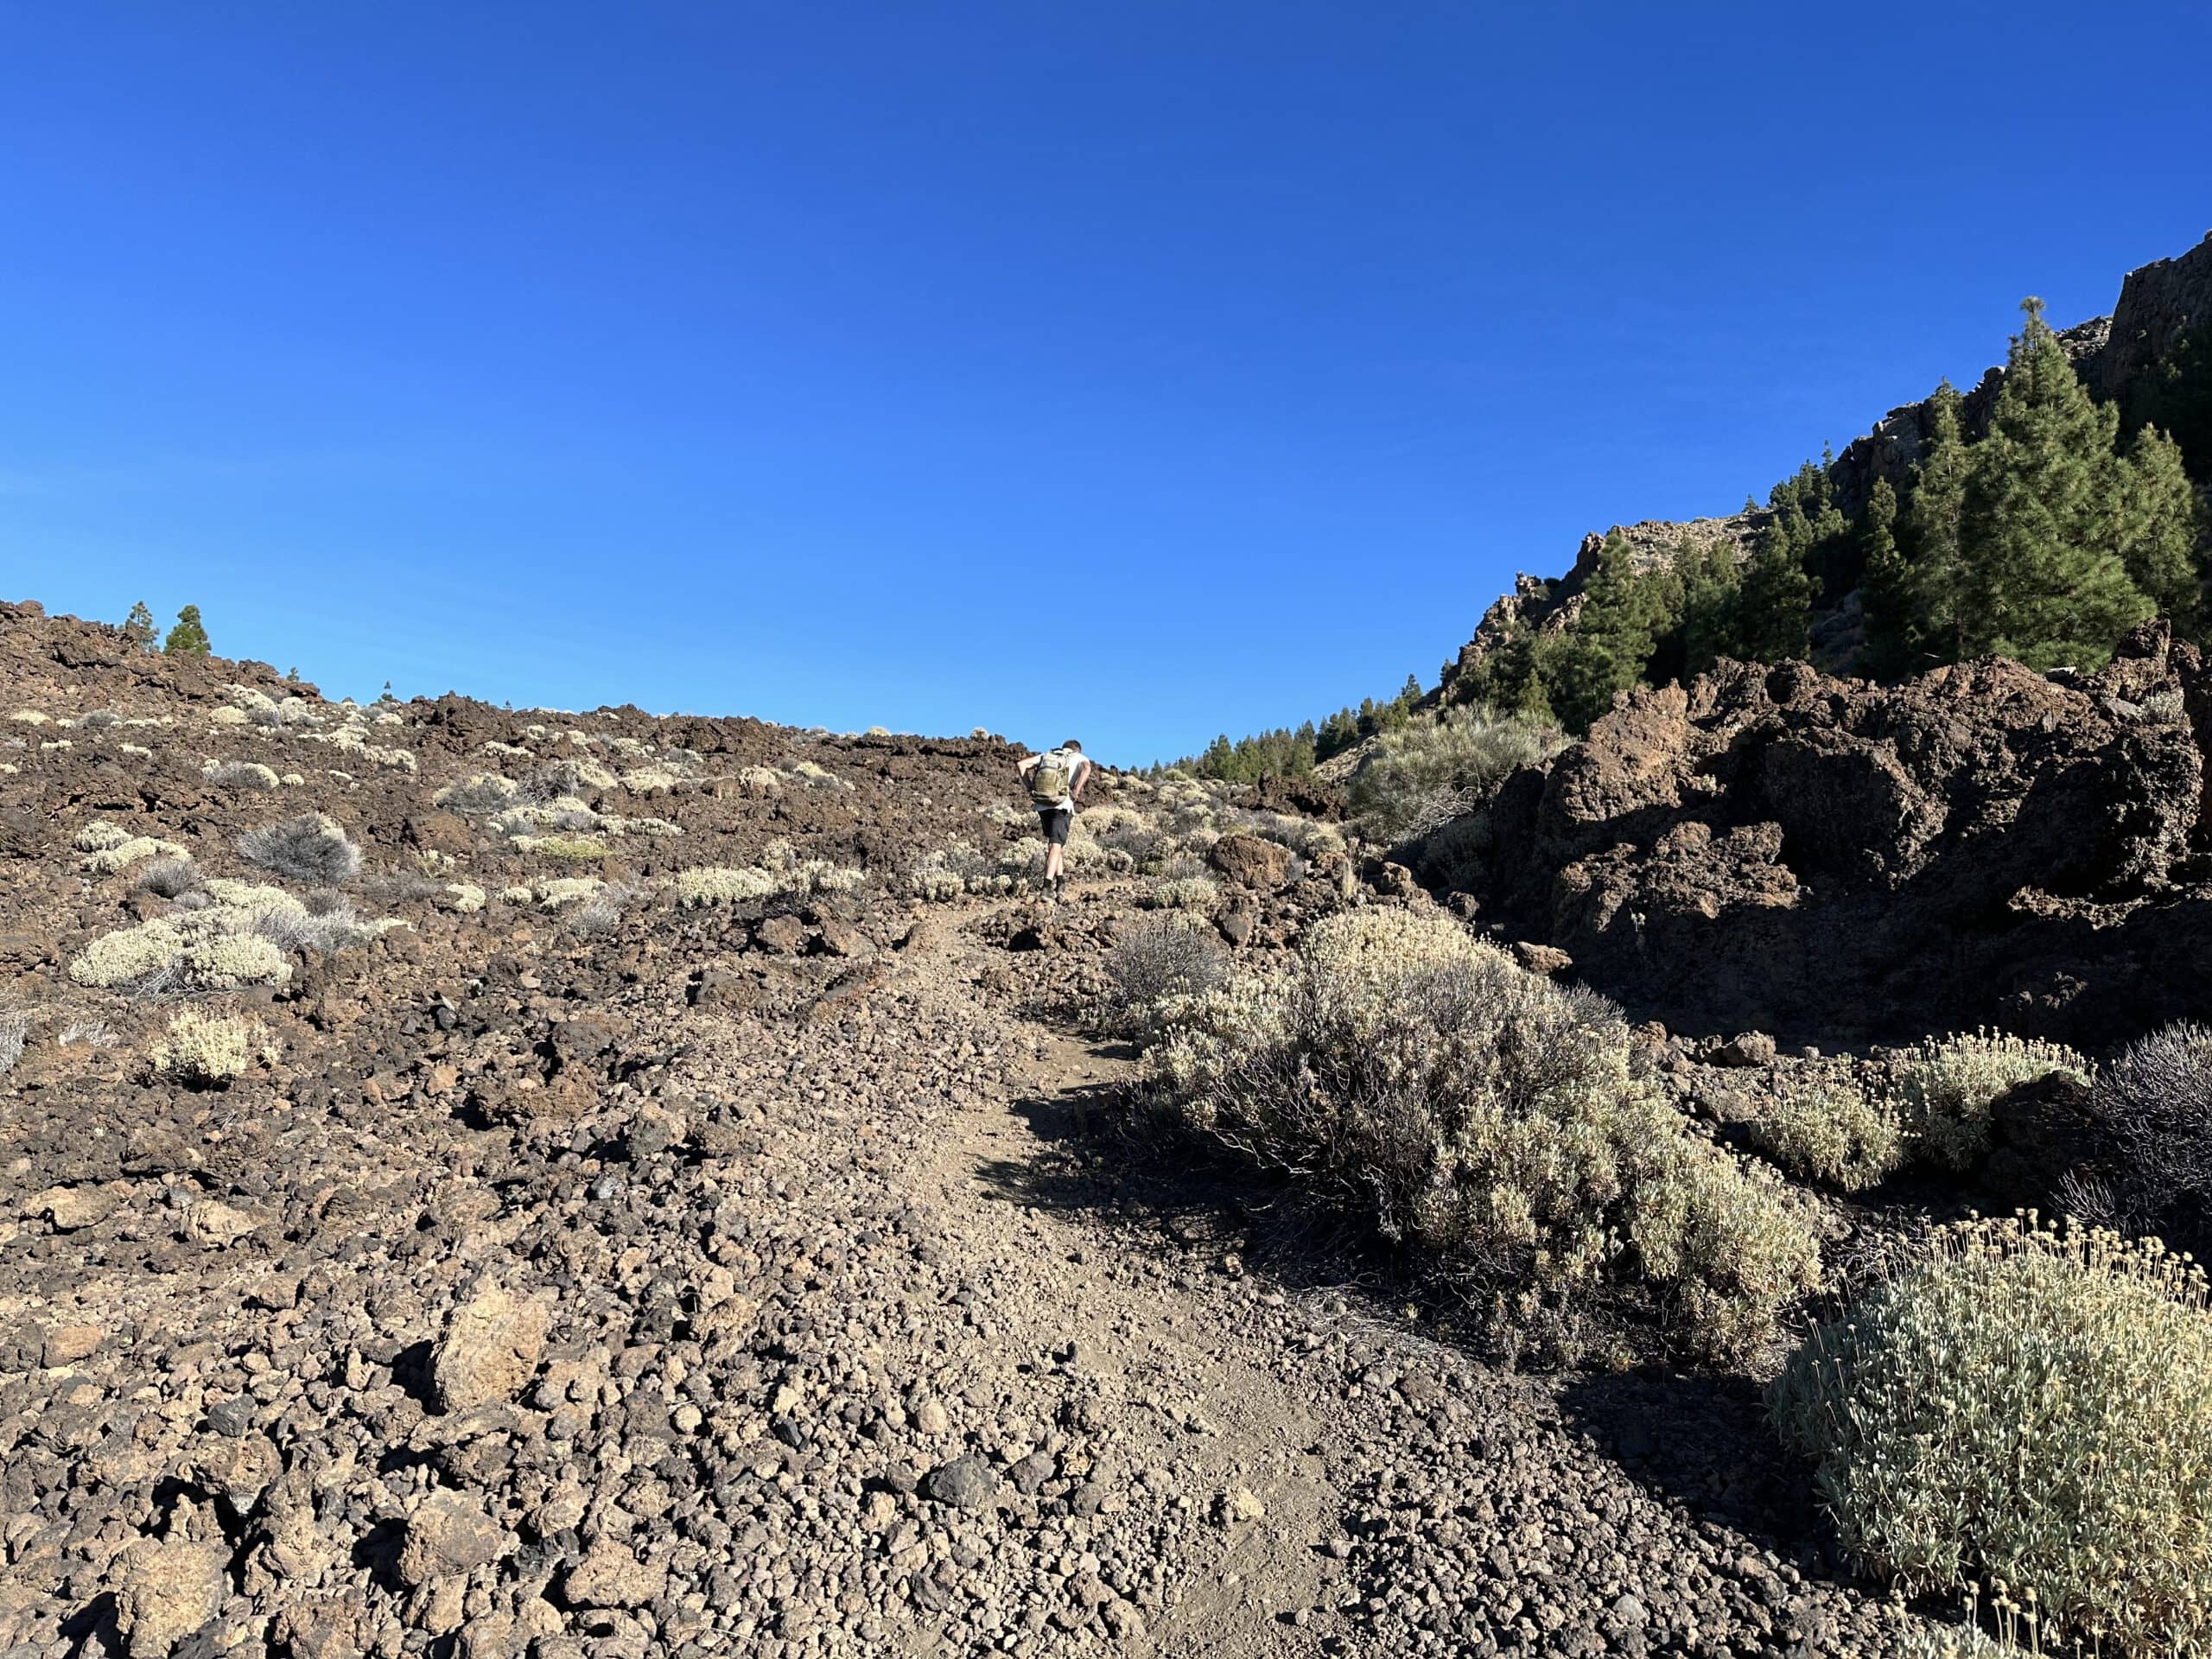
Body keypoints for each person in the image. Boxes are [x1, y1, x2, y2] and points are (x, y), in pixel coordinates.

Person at [1016, 740, 1093, 899]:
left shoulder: (1048, 756)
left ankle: (1061, 882)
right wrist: (1076, 791)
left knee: (1054, 845)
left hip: (1042, 805)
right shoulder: (1078, 758)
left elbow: (1021, 764)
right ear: (1077, 750)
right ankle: (1046, 887)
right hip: (1061, 805)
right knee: (1055, 845)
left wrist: (1030, 787)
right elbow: (1087, 768)